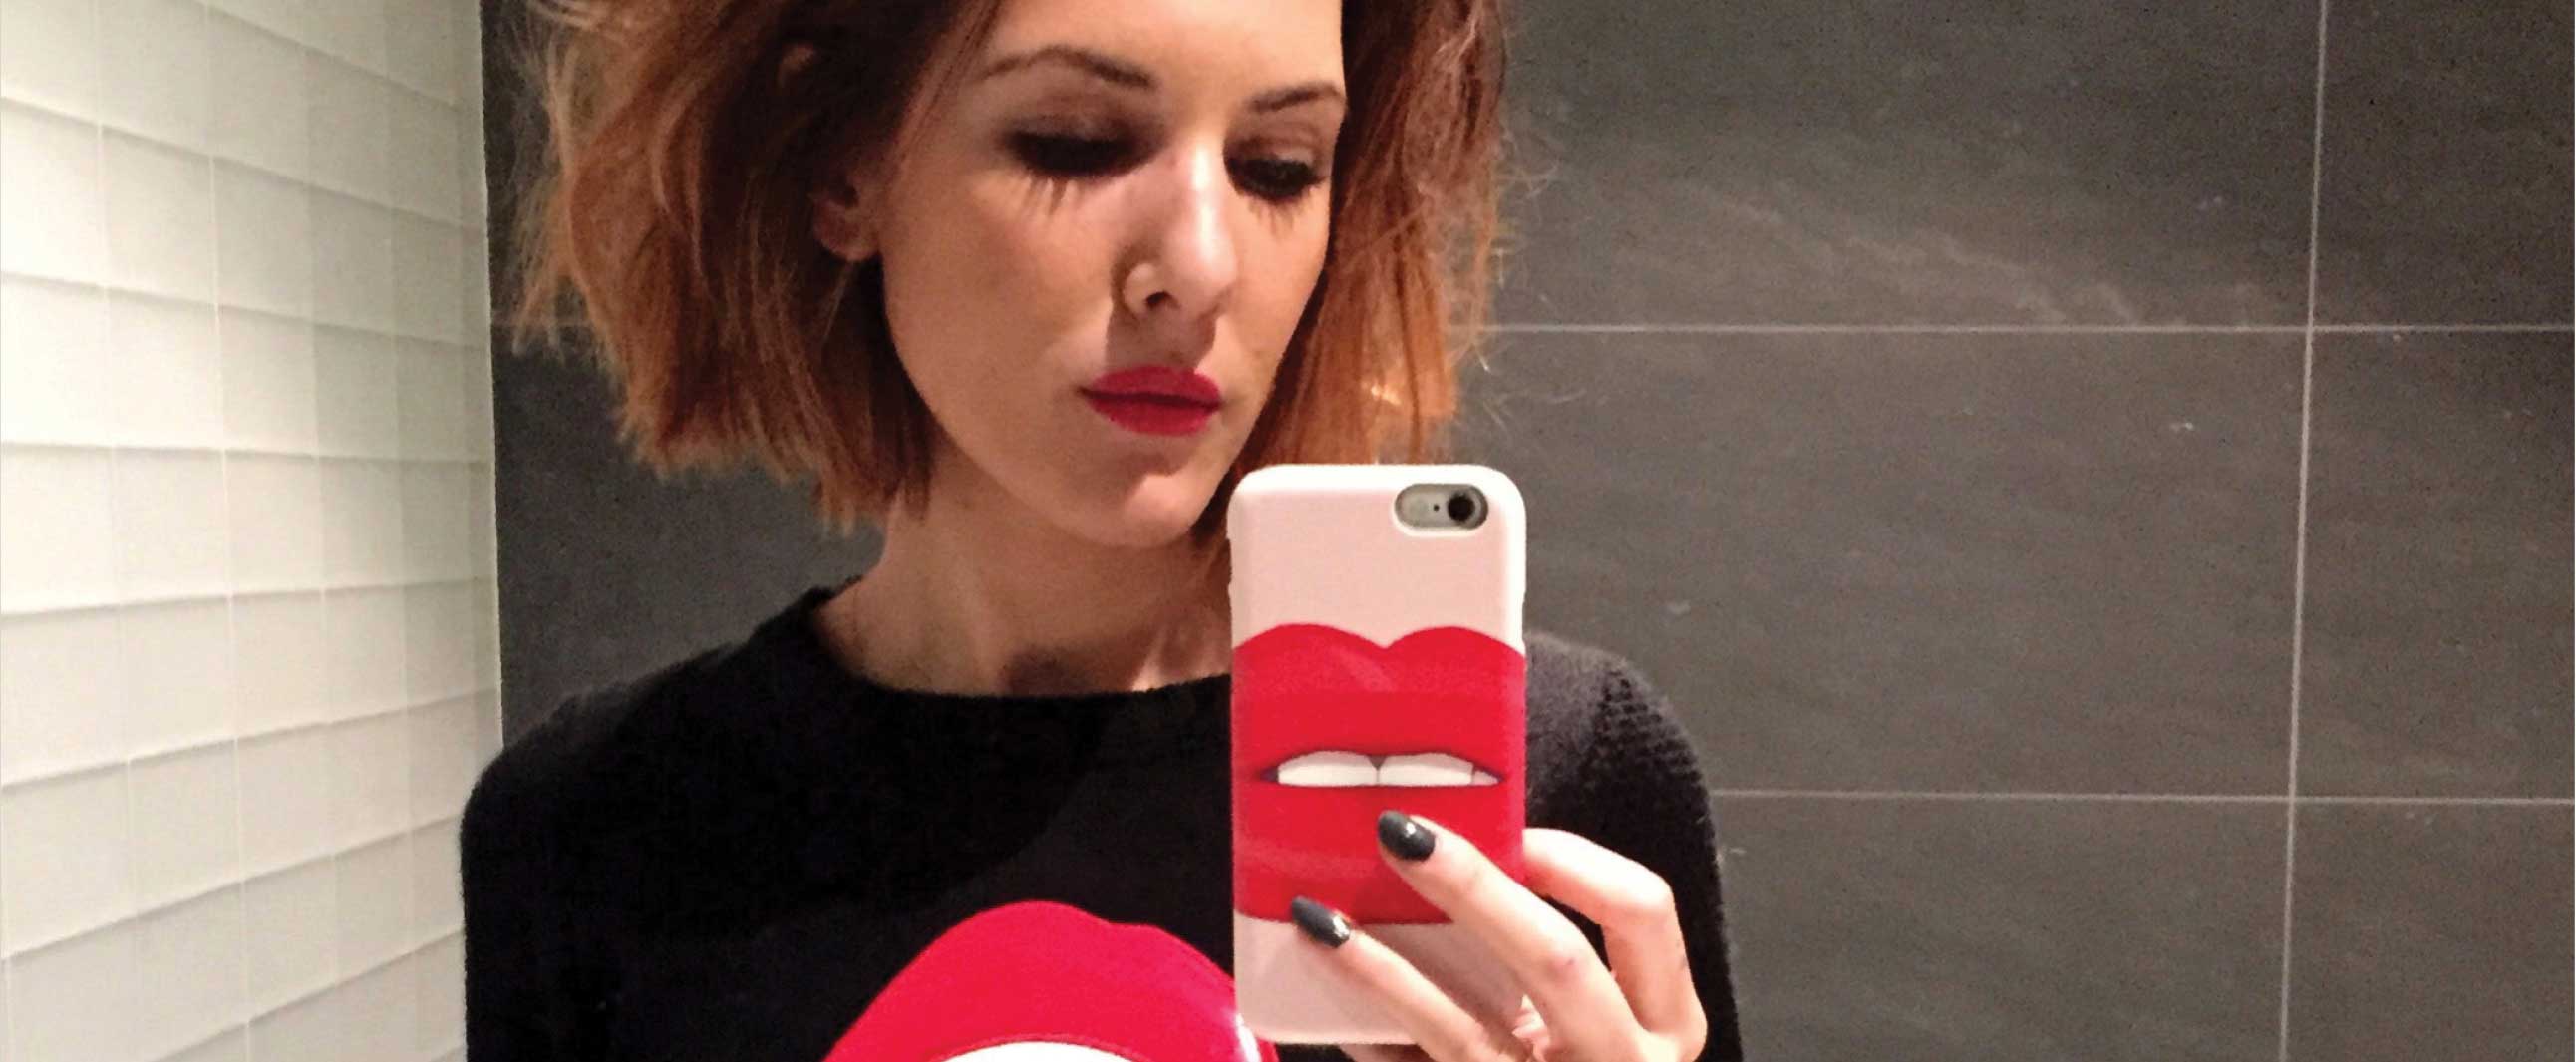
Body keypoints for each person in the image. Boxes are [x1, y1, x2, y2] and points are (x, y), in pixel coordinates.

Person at [464, 0, 1746, 1058]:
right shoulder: (595, 821)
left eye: (1280, 167)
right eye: (1074, 143)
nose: (1201, 263)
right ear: (843, 165)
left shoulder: (1560, 778)